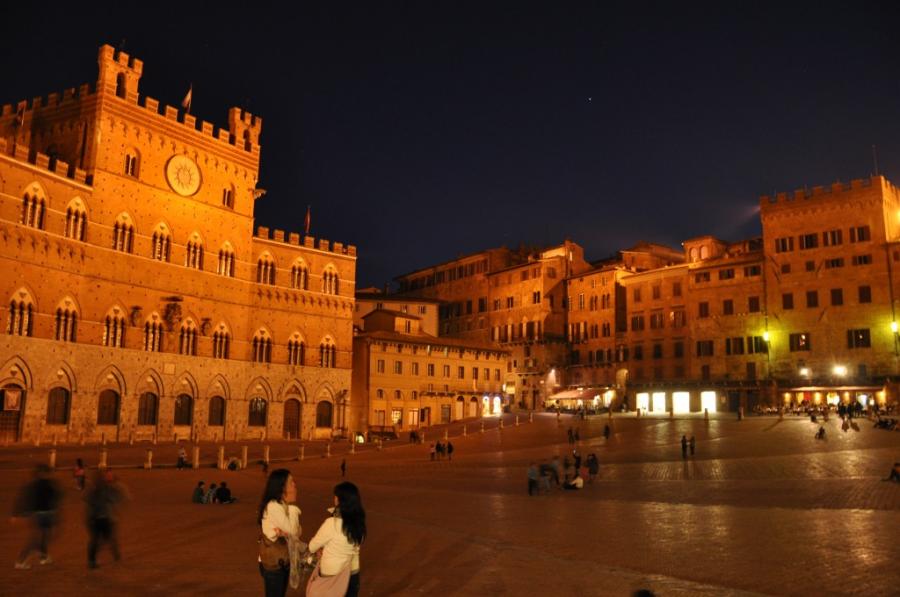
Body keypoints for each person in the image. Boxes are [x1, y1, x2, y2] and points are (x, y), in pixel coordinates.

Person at [308, 482, 366, 597]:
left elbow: (311, 546)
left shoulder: (332, 523)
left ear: (340, 500)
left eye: (335, 496)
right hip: (353, 573)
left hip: (332, 575)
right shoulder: (358, 524)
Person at [258, 469, 303, 597]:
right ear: (281, 487)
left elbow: (298, 531)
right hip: (274, 564)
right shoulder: (274, 506)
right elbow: (294, 531)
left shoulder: (282, 505)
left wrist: (287, 532)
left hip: (282, 560)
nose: (295, 485)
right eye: (291, 482)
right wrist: (294, 510)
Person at [12, 465, 61, 569]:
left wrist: (17, 513)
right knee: (37, 539)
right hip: (43, 514)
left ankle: (43, 557)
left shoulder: (36, 484)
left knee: (45, 536)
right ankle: (20, 561)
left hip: (41, 514)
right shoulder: (46, 484)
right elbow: (55, 497)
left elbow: (24, 498)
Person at [86, 470, 123, 568]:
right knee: (108, 538)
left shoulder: (93, 490)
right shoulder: (105, 488)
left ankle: (92, 561)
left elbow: (89, 503)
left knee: (96, 540)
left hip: (96, 518)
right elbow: (114, 498)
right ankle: (115, 555)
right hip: (104, 518)